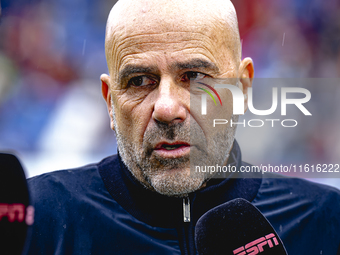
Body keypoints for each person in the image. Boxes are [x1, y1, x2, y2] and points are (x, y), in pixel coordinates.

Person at [25, 0, 340, 254]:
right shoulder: (37, 220)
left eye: (195, 76)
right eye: (139, 81)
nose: (166, 108)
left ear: (243, 89)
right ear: (110, 101)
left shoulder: (325, 220)